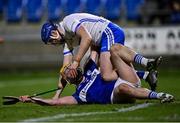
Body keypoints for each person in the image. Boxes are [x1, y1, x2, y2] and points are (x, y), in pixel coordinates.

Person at [41, 13, 161, 92]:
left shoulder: (67, 22)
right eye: (51, 42)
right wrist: (57, 95)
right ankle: (146, 74)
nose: (54, 42)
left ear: (55, 30)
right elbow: (64, 69)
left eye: (52, 38)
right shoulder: (67, 41)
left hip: (108, 32)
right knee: (101, 73)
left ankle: (146, 63)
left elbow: (87, 38)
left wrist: (76, 62)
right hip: (101, 40)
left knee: (106, 75)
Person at [19, 45, 173, 105]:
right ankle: (159, 95)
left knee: (115, 49)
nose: (69, 70)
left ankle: (147, 64)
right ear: (69, 81)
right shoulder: (79, 95)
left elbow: (93, 44)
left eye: (69, 67)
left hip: (125, 77)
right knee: (124, 88)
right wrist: (31, 100)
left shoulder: (89, 67)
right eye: (66, 73)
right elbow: (55, 103)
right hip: (118, 93)